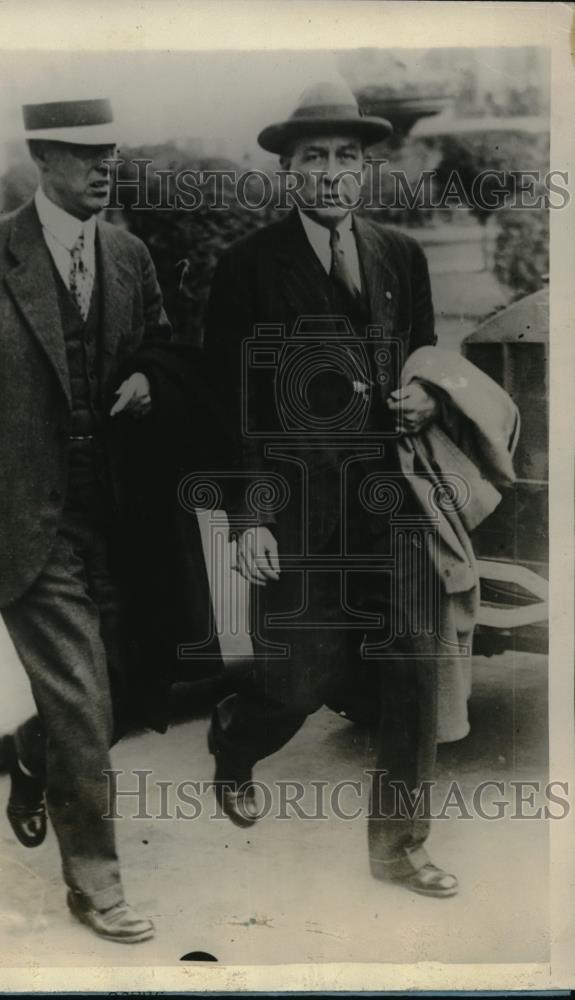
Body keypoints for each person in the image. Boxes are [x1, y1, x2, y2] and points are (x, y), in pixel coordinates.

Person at [0, 96, 168, 942]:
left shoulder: (128, 256)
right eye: (85, 155)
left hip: (113, 517)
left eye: (111, 153)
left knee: (133, 688)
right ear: (41, 159)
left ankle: (28, 753)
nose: (104, 167)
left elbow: (162, 344)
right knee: (84, 703)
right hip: (21, 524)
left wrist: (152, 378)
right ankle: (97, 885)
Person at [203, 77, 459, 898]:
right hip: (296, 503)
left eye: (346, 158)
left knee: (413, 662)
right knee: (300, 679)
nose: (330, 173)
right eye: (312, 158)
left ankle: (398, 848)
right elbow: (228, 404)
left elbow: (424, 353)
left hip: (390, 499)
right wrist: (251, 515)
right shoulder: (245, 268)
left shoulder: (400, 255)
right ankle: (238, 737)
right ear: (288, 170)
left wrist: (425, 395)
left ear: (364, 169)